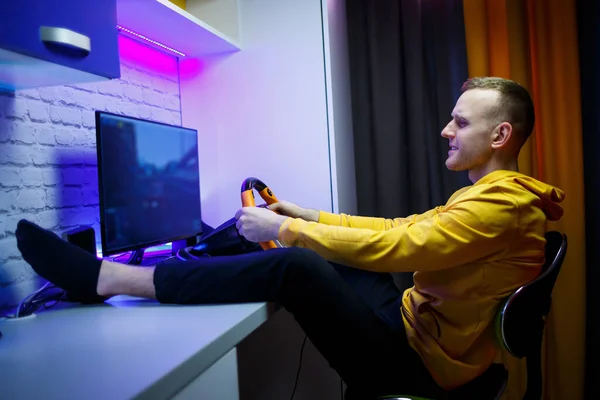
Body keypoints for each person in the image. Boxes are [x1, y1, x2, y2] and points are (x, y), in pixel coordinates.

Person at [13, 77, 565, 399]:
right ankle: (216, 259)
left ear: (499, 134)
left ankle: (106, 277)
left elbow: (403, 249)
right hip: (415, 328)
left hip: (420, 366)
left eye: (460, 123)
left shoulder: (504, 204)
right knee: (317, 258)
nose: (446, 130)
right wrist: (305, 216)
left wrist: (285, 231)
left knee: (294, 268)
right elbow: (403, 229)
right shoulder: (495, 197)